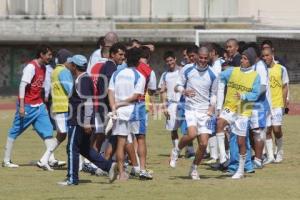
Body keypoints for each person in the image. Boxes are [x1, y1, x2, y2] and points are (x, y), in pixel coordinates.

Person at [58, 55, 117, 186]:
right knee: (85, 150)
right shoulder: (83, 78)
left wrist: (86, 122)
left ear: (74, 66)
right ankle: (109, 166)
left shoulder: (83, 80)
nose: (69, 66)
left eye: (70, 64)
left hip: (79, 122)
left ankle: (72, 179)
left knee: (72, 148)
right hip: (82, 121)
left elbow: (88, 102)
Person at [3, 45, 56, 170]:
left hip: (39, 105)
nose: (51, 57)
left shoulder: (44, 67)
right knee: (14, 131)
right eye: (49, 54)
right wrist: (21, 106)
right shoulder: (31, 67)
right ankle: (6, 161)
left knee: (48, 131)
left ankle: (50, 159)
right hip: (27, 106)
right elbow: (22, 86)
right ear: (41, 55)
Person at [170, 47, 218, 180]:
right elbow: (177, 86)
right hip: (191, 108)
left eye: (205, 58)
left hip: (205, 111)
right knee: (191, 134)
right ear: (196, 56)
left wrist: (211, 107)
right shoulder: (188, 69)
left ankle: (194, 168)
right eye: (201, 57)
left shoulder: (213, 74)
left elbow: (214, 93)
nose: (203, 60)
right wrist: (184, 91)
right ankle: (176, 150)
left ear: (209, 57)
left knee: (203, 144)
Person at [216, 47, 261, 179]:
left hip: (243, 111)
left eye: (245, 59)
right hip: (230, 107)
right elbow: (218, 76)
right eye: (242, 57)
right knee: (219, 123)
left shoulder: (255, 76)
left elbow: (256, 93)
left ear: (251, 61)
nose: (242, 60)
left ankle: (241, 170)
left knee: (241, 142)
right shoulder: (232, 71)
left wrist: (243, 95)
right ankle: (223, 157)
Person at [108, 47, 146, 181]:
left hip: (119, 112)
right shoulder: (139, 76)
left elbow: (110, 92)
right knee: (140, 139)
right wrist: (120, 103)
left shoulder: (116, 74)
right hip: (133, 111)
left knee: (120, 142)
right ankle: (142, 170)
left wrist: (114, 106)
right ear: (139, 61)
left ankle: (122, 173)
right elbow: (136, 96)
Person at [38, 49, 74, 169]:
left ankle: (44, 159)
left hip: (57, 106)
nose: (72, 64)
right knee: (70, 135)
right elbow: (70, 90)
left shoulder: (54, 71)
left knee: (62, 135)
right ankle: (78, 163)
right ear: (67, 61)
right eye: (71, 61)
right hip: (64, 107)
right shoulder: (64, 71)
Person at [133, 46, 157, 180]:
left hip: (124, 104)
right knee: (140, 137)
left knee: (125, 137)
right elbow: (152, 90)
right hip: (141, 104)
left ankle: (129, 164)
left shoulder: (129, 68)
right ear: (148, 57)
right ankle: (140, 168)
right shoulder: (149, 71)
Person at [262, 47, 289, 164]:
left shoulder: (281, 69)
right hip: (265, 105)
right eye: (263, 56)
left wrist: (283, 104)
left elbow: (285, 87)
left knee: (277, 129)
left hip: (277, 104)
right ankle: (270, 156)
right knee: (267, 130)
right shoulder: (261, 69)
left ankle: (279, 151)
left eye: (267, 55)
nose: (265, 58)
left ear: (272, 54)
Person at [158, 51, 181, 157]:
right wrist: (164, 106)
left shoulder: (182, 71)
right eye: (167, 61)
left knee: (187, 128)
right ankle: (176, 148)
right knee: (173, 128)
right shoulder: (165, 75)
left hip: (183, 103)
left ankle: (190, 150)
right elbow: (162, 91)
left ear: (175, 59)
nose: (169, 63)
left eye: (171, 60)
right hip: (171, 104)